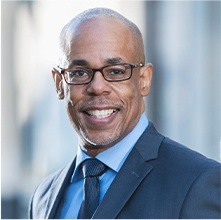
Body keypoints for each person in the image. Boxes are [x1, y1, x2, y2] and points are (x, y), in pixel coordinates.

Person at [29, 7, 221, 219]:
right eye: (80, 72)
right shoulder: (43, 197)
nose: (98, 87)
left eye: (116, 72)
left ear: (144, 80)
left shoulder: (197, 183)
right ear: (59, 83)